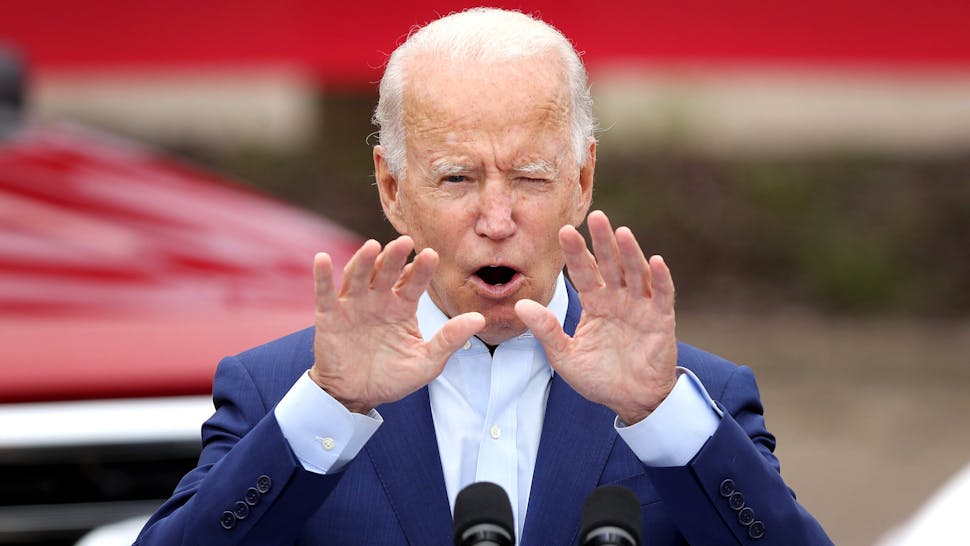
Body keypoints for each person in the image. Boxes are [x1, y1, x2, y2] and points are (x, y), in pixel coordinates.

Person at [135, 8, 832, 545]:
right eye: (457, 178)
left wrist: (660, 418)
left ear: (582, 177)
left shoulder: (693, 397)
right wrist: (330, 408)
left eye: (530, 176)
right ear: (392, 187)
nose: (496, 218)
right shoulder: (280, 389)